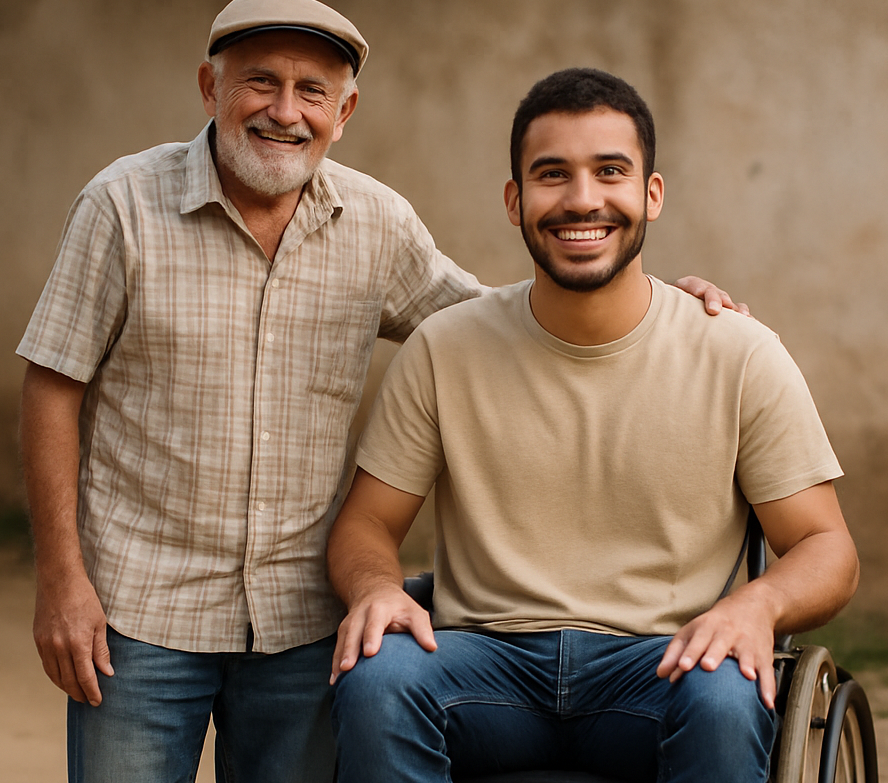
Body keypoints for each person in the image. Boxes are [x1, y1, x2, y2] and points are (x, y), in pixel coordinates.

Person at [17, 0, 742, 777]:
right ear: (209, 88)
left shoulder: (377, 223)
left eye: (312, 90)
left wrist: (653, 297)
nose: (284, 111)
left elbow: (510, 326)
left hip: (302, 624)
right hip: (140, 614)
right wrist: (63, 579)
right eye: (259, 82)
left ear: (345, 110)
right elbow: (53, 383)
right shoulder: (121, 207)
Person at [327, 68, 860, 783]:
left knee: (727, 697)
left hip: (667, 664)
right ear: (514, 201)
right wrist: (376, 591)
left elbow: (828, 547)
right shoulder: (445, 349)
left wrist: (756, 605)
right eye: (552, 174)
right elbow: (365, 524)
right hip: (486, 665)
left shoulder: (737, 352)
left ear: (652, 193)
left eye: (610, 171)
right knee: (377, 676)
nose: (582, 199)